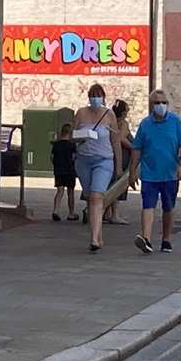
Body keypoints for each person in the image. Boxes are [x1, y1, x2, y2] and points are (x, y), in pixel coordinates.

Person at [129, 88, 181, 255]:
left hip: (170, 173)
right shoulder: (145, 125)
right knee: (147, 205)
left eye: (164, 102)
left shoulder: (175, 122)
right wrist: (132, 171)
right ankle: (146, 239)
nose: (161, 105)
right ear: (151, 105)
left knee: (168, 207)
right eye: (157, 103)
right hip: (149, 173)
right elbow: (137, 149)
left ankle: (166, 239)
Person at [73, 82, 120, 253]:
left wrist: (119, 165)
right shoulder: (81, 113)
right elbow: (73, 134)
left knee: (96, 196)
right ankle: (98, 236)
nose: (95, 99)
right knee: (89, 198)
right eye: (92, 95)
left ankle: (94, 238)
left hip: (104, 160)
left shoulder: (109, 115)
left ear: (103, 98)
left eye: (98, 95)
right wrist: (80, 137)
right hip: (84, 160)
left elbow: (116, 141)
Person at [103, 99, 134, 225]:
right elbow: (120, 138)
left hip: (111, 155)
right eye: (126, 110)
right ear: (123, 113)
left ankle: (107, 213)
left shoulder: (110, 121)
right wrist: (134, 147)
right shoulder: (123, 124)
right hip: (122, 156)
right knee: (118, 185)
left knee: (110, 184)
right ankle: (114, 214)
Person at [51, 122, 79, 222]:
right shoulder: (72, 146)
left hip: (58, 170)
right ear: (70, 133)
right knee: (70, 192)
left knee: (59, 191)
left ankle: (55, 211)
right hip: (69, 171)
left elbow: (52, 157)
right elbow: (74, 157)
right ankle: (71, 213)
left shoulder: (56, 145)